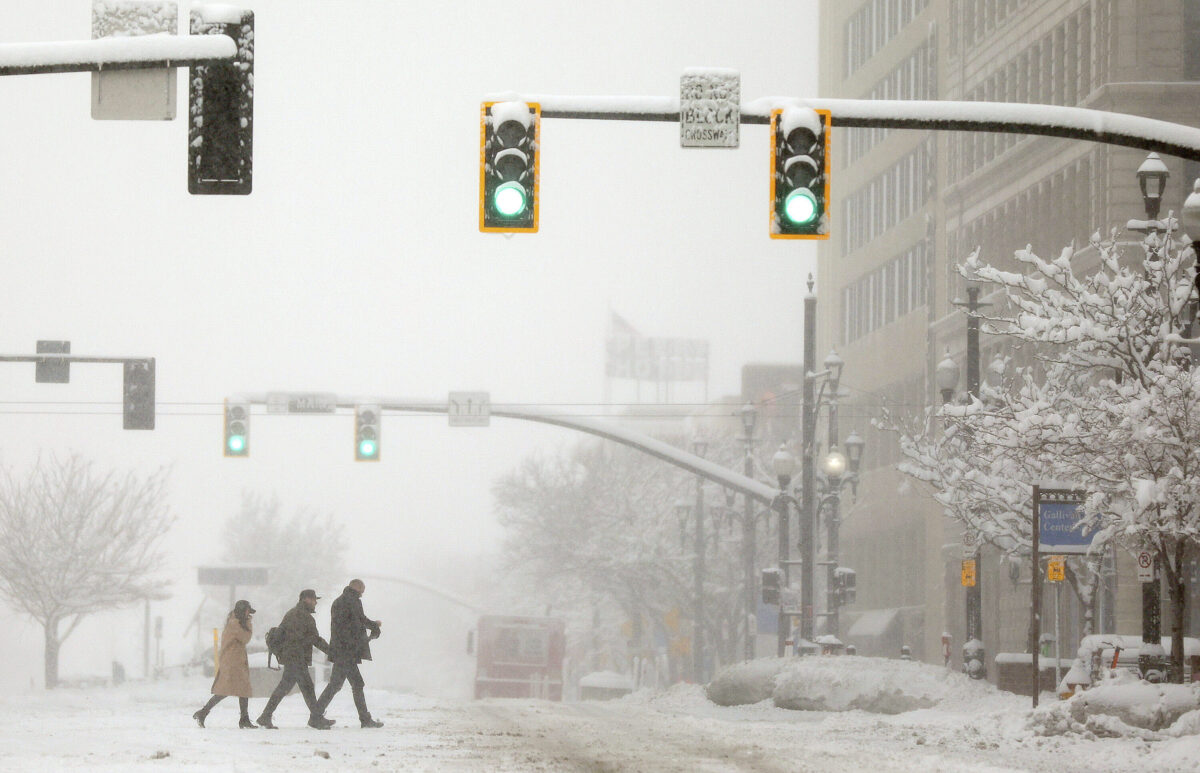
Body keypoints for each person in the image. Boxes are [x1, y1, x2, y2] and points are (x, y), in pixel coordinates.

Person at [256, 590, 335, 729]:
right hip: (297, 657)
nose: (316, 602)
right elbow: (314, 639)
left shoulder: (292, 613)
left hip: (291, 656)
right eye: (314, 600)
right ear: (306, 599)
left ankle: (265, 716)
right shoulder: (304, 616)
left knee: (285, 687)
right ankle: (316, 719)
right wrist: (332, 652)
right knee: (307, 688)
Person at [315, 579, 384, 728]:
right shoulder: (351, 601)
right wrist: (374, 626)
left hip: (343, 650)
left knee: (349, 684)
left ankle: (364, 719)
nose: (363, 593)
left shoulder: (340, 601)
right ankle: (316, 716)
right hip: (347, 651)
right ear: (357, 587)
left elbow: (353, 622)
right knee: (339, 685)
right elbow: (359, 621)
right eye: (362, 589)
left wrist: (371, 626)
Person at [193, 599, 258, 729]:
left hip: (235, 660)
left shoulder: (235, 622)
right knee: (227, 690)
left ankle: (243, 719)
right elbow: (246, 638)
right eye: (247, 612)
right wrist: (249, 623)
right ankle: (203, 713)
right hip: (232, 661)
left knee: (241, 689)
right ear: (242, 611)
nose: (248, 615)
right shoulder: (235, 624)